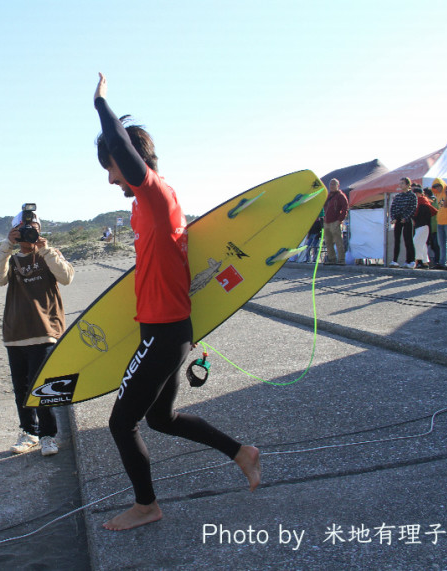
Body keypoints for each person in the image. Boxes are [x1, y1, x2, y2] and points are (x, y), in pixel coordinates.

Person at [93, 73, 260, 531]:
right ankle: (242, 453)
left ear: (127, 161)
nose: (110, 179)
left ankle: (147, 505)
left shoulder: (156, 194)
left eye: (110, 167)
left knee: (121, 424)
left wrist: (101, 104)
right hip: (164, 329)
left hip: (165, 332)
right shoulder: (145, 203)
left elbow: (124, 153)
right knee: (161, 419)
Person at [0, 207, 74, 457]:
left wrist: (45, 248)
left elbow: (67, 277)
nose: (29, 235)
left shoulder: (50, 255)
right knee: (21, 388)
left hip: (46, 330)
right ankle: (29, 431)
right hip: (16, 333)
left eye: (33, 230)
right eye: (24, 231)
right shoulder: (12, 259)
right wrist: (7, 245)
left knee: (45, 387)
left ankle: (48, 435)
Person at [389, 178, 417, 268]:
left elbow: (413, 208)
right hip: (398, 220)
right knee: (397, 240)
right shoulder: (398, 196)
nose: (400, 185)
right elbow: (393, 208)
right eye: (400, 183)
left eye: (402, 183)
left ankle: (411, 261)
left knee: (408, 240)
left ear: (408, 185)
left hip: (407, 220)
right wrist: (393, 218)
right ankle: (394, 260)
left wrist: (406, 217)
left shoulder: (412, 196)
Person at [322, 179, 349, 265]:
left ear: (338, 185)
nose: (332, 186)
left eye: (334, 184)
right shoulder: (328, 195)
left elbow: (345, 208)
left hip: (335, 222)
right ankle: (332, 258)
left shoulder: (340, 196)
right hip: (327, 222)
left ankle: (341, 260)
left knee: (338, 241)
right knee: (328, 241)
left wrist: (339, 220)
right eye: (330, 184)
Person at [411, 185, 437, 269]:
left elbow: (422, 215)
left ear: (418, 193)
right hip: (420, 225)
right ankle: (425, 262)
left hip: (424, 225)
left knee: (415, 242)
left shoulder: (423, 203)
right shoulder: (419, 203)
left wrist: (414, 217)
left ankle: (416, 260)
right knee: (422, 244)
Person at [431, 178, 447, 269]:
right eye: (435, 186)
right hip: (440, 222)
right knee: (442, 244)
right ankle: (442, 263)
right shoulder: (438, 195)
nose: (437, 188)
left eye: (439, 186)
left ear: (442, 185)